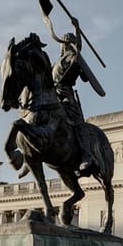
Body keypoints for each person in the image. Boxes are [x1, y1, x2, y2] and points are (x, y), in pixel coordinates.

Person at [51, 17, 93, 175]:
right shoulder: (56, 63)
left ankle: (86, 154)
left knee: (78, 123)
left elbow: (79, 50)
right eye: (65, 42)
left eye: (69, 42)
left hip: (66, 93)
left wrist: (77, 28)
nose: (66, 45)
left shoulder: (72, 58)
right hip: (53, 95)